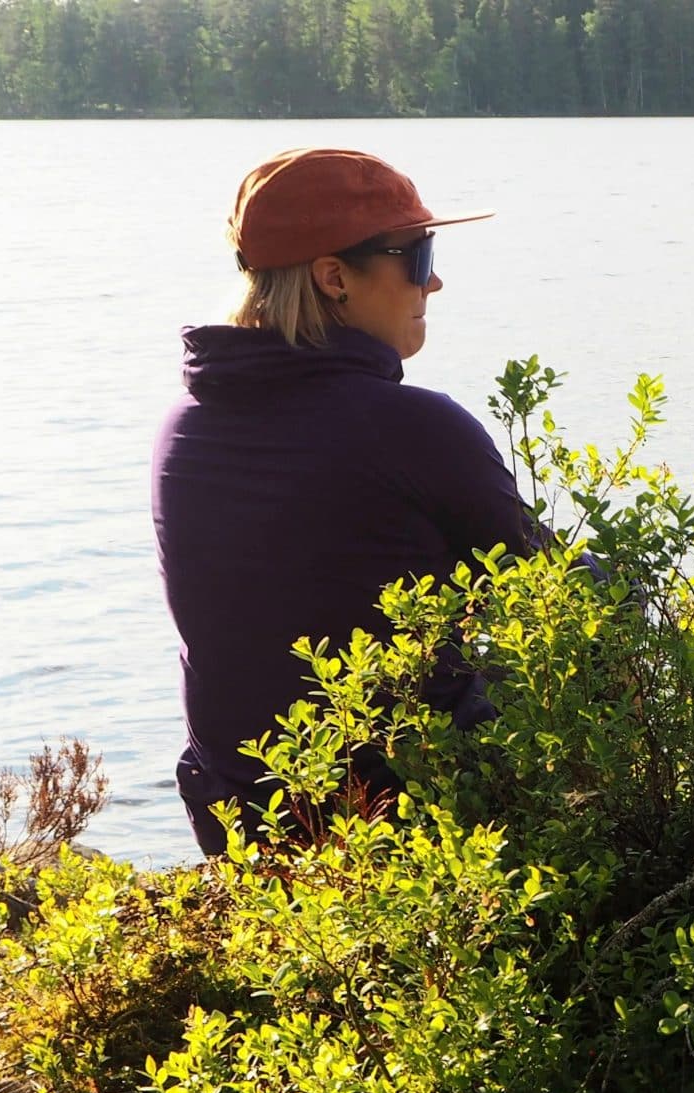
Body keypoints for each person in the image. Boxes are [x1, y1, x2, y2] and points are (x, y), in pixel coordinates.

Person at [151, 147, 535, 857]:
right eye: (416, 257)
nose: (437, 280)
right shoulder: (414, 426)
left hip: (247, 831)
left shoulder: (184, 425)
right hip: (402, 826)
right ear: (334, 278)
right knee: (602, 593)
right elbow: (547, 597)